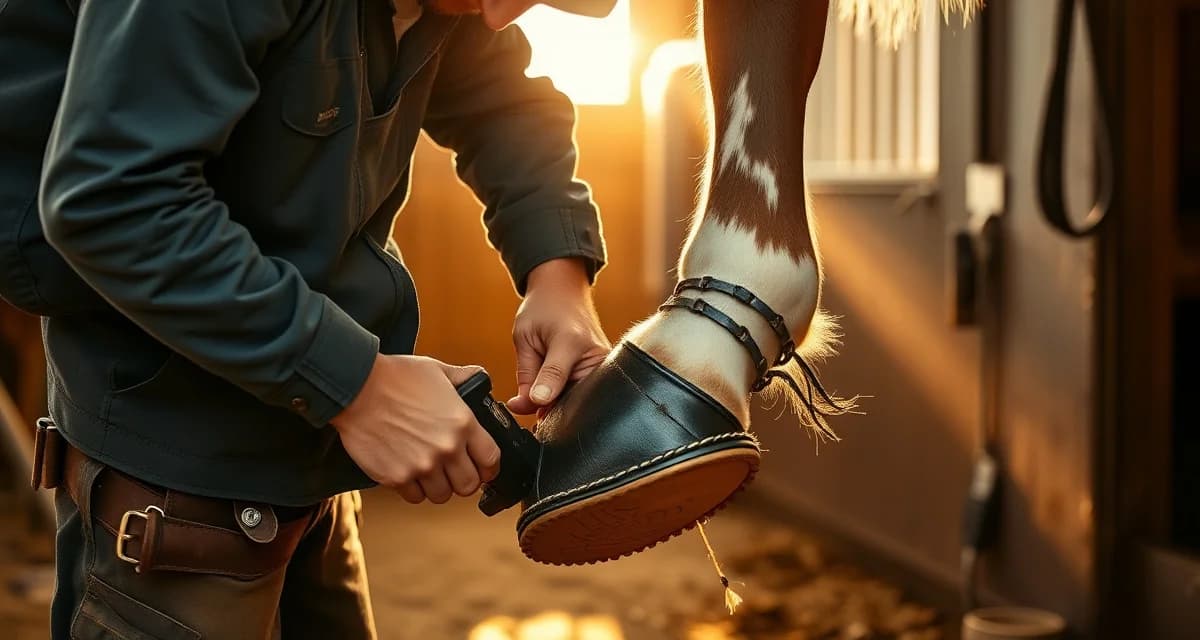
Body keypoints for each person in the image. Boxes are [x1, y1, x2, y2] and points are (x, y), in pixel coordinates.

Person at [1, 0, 617, 637]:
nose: (500, 18)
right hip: (172, 472)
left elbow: (501, 104)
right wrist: (361, 386)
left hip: (311, 445)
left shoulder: (454, 11)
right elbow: (115, 203)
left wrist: (557, 271)